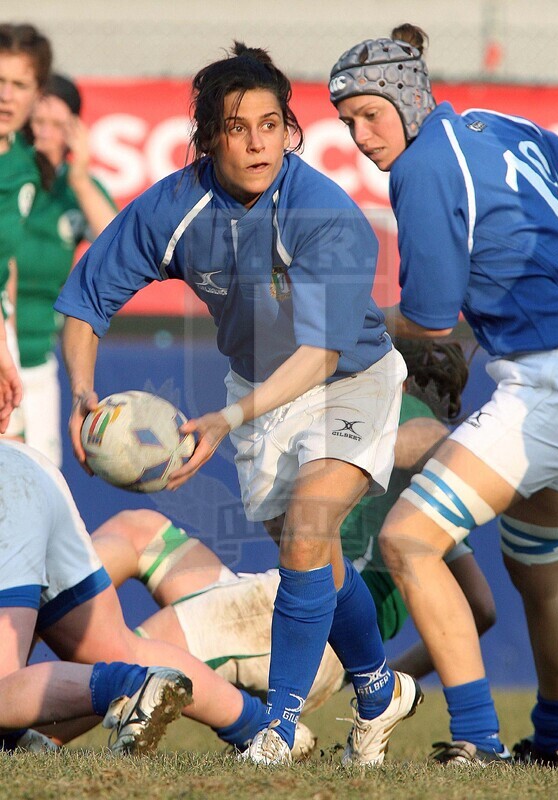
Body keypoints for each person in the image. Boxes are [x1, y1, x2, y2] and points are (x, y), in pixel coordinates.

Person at [55, 42, 421, 766]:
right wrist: (84, 393)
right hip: (259, 391)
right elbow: (87, 298)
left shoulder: (324, 213)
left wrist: (225, 420)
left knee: (311, 526)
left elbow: (319, 354)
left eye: (269, 123)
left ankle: (276, 729)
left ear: (291, 130)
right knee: (310, 554)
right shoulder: (173, 207)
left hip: (349, 379)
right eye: (235, 126)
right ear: (208, 140)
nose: (256, 141)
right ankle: (378, 688)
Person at [329, 23, 558, 767]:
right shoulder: (497, 125)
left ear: (408, 99)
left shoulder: (423, 166)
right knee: (540, 572)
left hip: (550, 383)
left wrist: (346, 330)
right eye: (347, 122)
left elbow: (432, 321)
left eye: (369, 114)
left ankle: (476, 738)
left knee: (408, 540)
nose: (361, 135)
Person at [87, 340, 495, 719]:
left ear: (397, 378)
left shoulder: (381, 411)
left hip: (308, 621)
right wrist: (385, 674)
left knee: (129, 654)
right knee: (139, 529)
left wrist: (359, 452)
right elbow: (481, 608)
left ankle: (31, 722)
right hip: (314, 637)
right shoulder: (428, 507)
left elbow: (426, 438)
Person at [0, 436, 318, 757]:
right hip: (28, 464)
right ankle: (262, 727)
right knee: (121, 649)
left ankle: (131, 685)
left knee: (3, 691)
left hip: (7, 488)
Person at [15, 73, 117, 466]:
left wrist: (78, 174)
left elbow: (117, 242)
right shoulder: (10, 177)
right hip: (2, 346)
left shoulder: (72, 189)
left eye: (58, 125)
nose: (44, 134)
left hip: (37, 362)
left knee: (41, 479)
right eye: (37, 122)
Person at [0, 23, 52, 439]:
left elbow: (5, 263)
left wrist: (6, 339)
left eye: (19, 83)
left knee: (17, 469)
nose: (6, 94)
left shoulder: (22, 162)